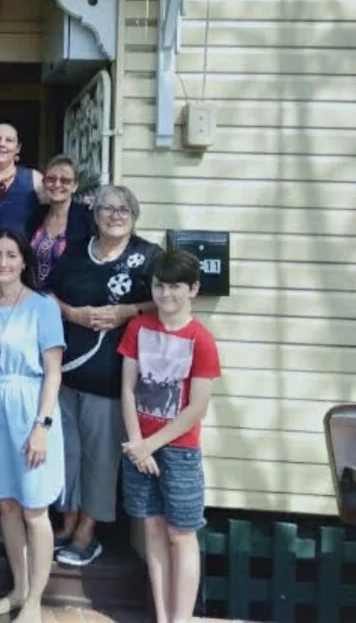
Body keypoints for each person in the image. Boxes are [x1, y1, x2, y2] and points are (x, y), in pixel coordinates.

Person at [46, 185, 161, 568]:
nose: (115, 215)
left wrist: (127, 312)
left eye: (124, 209)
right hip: (67, 373)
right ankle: (66, 521)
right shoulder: (77, 252)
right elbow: (49, 296)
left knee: (99, 457)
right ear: (94, 216)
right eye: (108, 209)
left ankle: (87, 532)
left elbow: (166, 301)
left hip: (112, 379)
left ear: (134, 216)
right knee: (68, 453)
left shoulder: (147, 257)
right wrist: (74, 314)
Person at [119, 250, 220, 623]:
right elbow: (128, 389)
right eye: (160, 286)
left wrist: (151, 444)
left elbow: (196, 408)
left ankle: (182, 618)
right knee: (152, 529)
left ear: (192, 288)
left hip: (178, 450)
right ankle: (161, 616)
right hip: (137, 446)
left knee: (181, 533)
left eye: (175, 286)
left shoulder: (201, 339)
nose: (166, 295)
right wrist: (136, 443)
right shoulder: (139, 328)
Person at [0, 230, 65, 623]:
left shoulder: (43, 306)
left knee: (33, 508)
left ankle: (35, 603)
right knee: (7, 505)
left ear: (24, 261)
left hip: (30, 409)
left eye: (12, 255)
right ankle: (18, 588)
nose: (4, 263)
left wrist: (42, 425)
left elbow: (53, 372)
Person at [27, 155, 95, 286]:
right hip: (34, 297)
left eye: (65, 180)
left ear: (75, 186)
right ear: (44, 182)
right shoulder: (36, 216)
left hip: (71, 299)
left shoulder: (87, 218)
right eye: (51, 179)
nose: (57, 184)